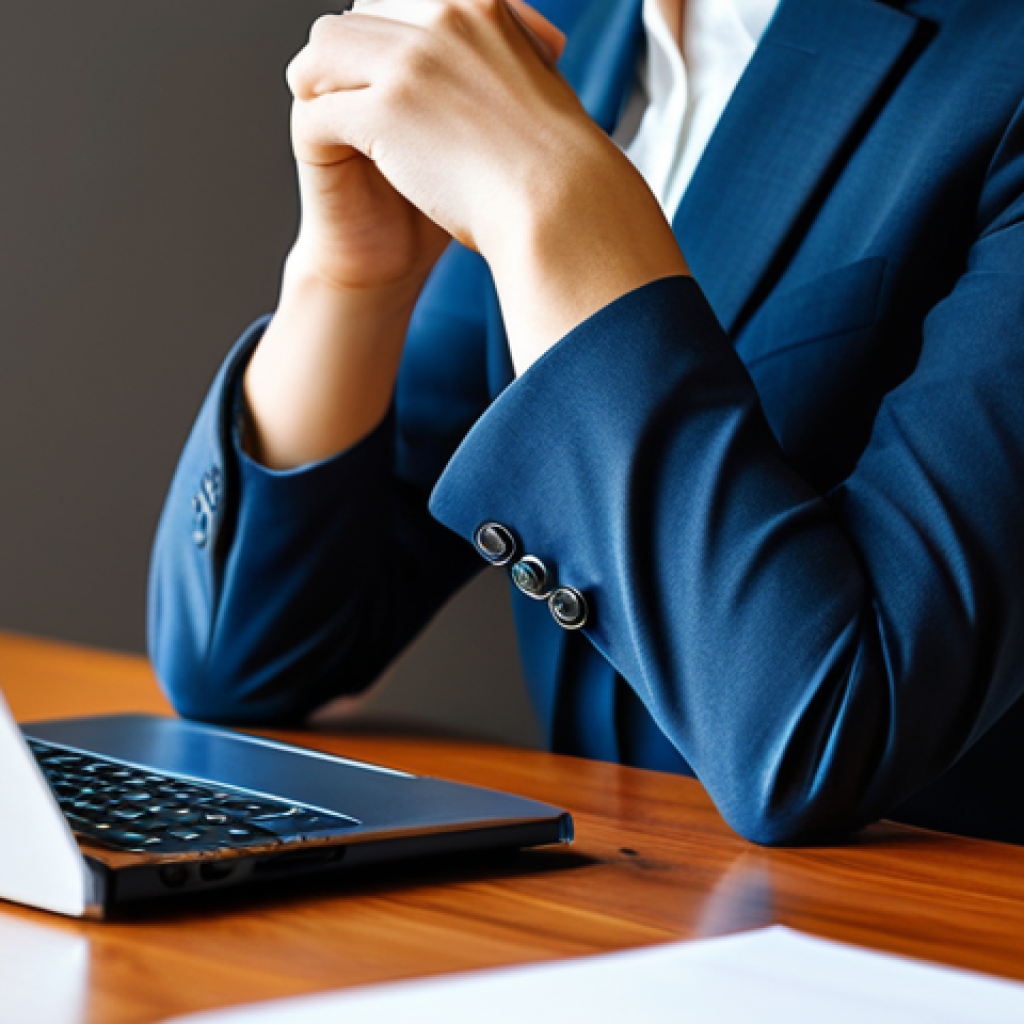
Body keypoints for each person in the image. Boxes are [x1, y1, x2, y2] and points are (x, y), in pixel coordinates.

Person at [149, 0, 1024, 846]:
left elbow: (827, 734)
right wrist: (349, 278)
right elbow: (240, 657)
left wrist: (546, 197)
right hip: (599, 920)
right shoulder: (554, 33)